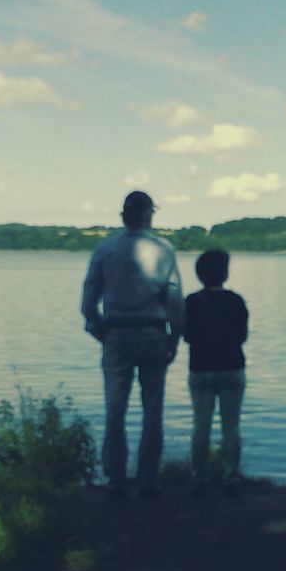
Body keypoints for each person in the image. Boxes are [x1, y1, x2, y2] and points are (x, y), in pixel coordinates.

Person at [80, 191, 184, 501]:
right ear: (149, 214)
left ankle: (115, 479)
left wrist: (100, 331)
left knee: (115, 409)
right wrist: (174, 338)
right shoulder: (163, 250)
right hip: (153, 333)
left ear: (124, 215)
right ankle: (149, 480)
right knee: (153, 410)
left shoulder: (105, 249)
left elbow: (88, 301)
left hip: (117, 335)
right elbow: (175, 299)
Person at [184, 248, 249, 498]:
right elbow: (242, 336)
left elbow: (187, 336)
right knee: (231, 426)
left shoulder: (190, 302)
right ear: (225, 273)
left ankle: (199, 479)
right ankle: (231, 477)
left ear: (200, 275)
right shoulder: (236, 300)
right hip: (232, 367)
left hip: (200, 368)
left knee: (201, 425)